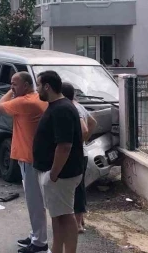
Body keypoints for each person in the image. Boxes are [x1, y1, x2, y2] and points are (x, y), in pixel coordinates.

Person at [0, 71, 49, 253]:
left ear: (26, 85)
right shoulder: (35, 98)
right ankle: (36, 235)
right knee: (35, 201)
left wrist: (10, 92)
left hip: (29, 158)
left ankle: (40, 242)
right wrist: (14, 89)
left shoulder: (25, 102)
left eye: (14, 84)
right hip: (31, 157)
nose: (12, 87)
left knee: (34, 202)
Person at [34, 71, 85, 253]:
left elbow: (64, 146)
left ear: (47, 86)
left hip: (61, 175)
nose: (36, 89)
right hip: (57, 174)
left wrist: (53, 174)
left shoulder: (62, 109)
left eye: (38, 85)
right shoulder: (56, 106)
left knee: (65, 216)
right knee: (58, 216)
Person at [60, 82, 97, 234]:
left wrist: (78, 142)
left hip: (77, 154)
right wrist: (83, 141)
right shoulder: (77, 105)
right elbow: (93, 122)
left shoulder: (72, 107)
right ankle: (79, 220)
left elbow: (85, 128)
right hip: (81, 153)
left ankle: (77, 223)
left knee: (76, 189)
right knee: (78, 187)